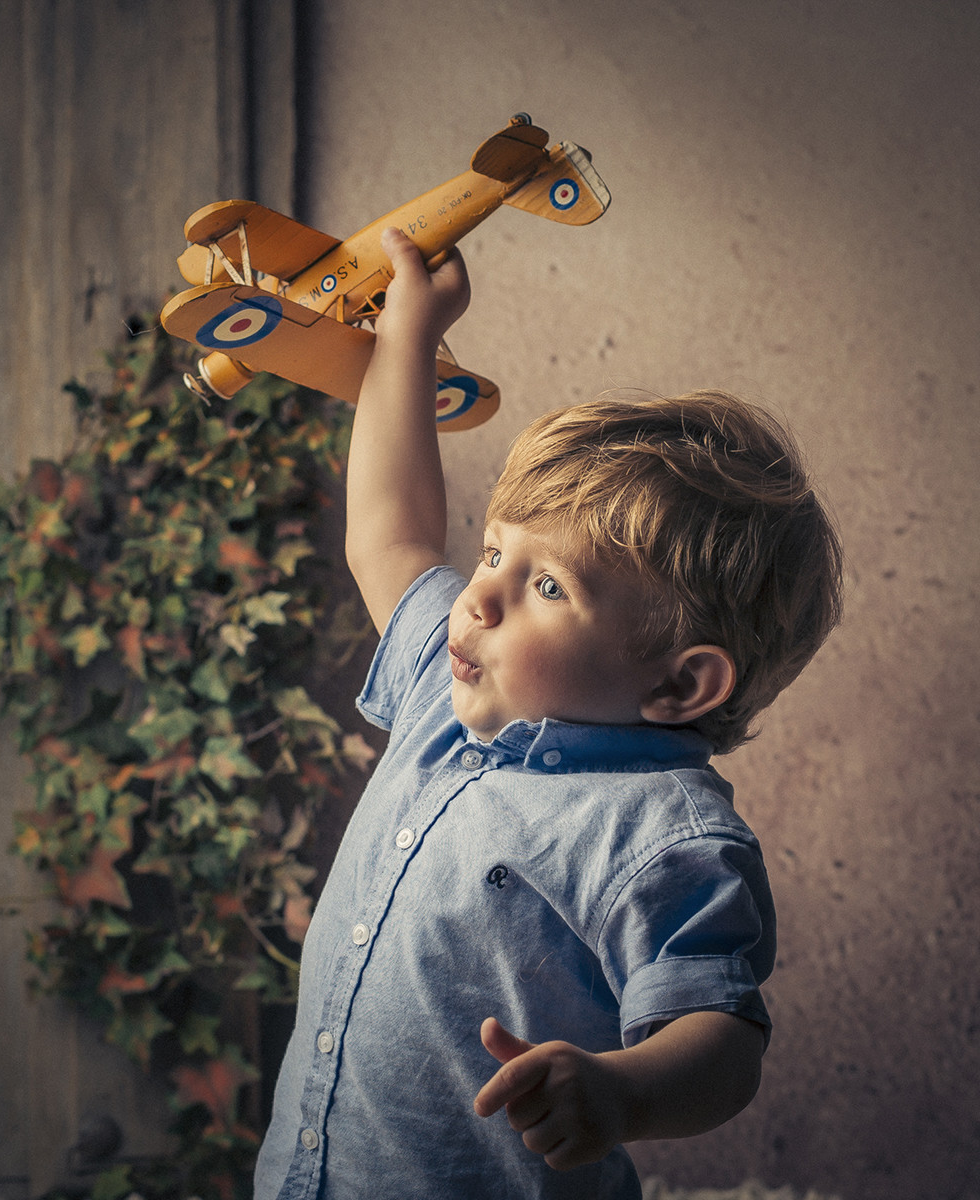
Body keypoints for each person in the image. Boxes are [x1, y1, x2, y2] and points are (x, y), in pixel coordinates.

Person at [253, 228, 843, 1200]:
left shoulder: (662, 834)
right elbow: (388, 530)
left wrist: (621, 1094)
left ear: (681, 686)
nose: (479, 598)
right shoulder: (448, 699)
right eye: (492, 552)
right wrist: (409, 331)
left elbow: (723, 1039)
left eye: (550, 587)